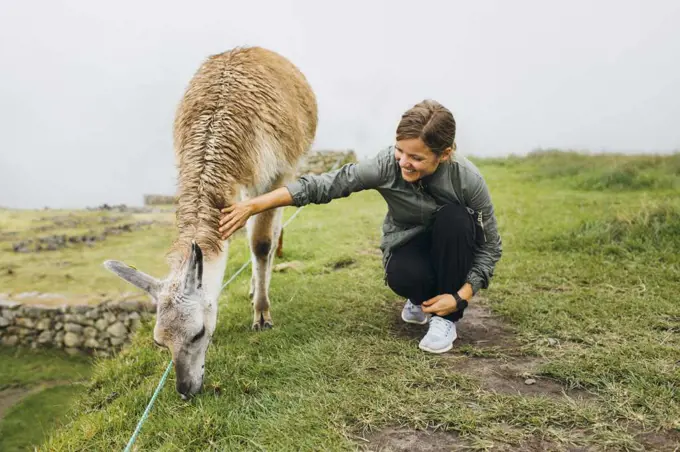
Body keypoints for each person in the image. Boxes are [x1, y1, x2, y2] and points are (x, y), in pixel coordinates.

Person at [218, 100, 502, 354]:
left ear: (445, 154)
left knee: (456, 218)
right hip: (408, 246)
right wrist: (252, 206)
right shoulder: (385, 165)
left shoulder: (467, 180)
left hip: (451, 246)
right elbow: (324, 185)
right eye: (400, 151)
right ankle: (420, 298)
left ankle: (446, 321)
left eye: (416, 158)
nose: (404, 162)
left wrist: (459, 296)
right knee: (403, 276)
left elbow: (490, 246)